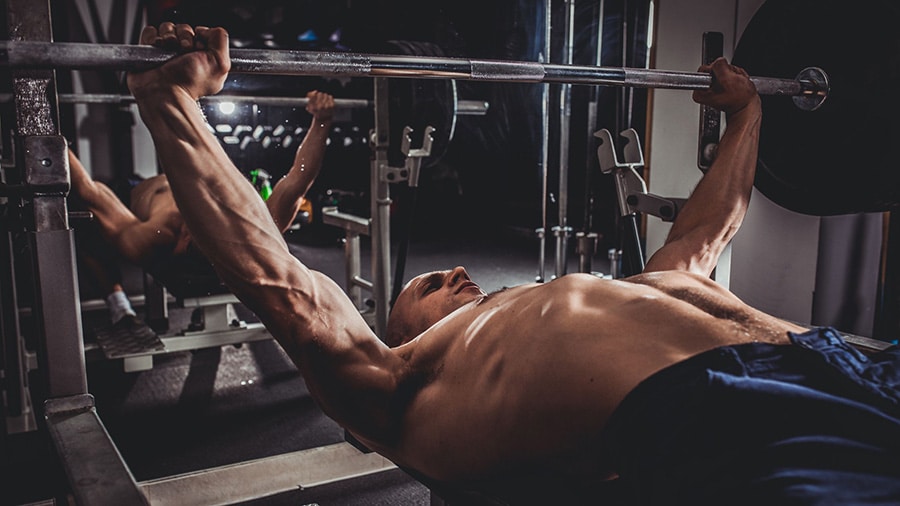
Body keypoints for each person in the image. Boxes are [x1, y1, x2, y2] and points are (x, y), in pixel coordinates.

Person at [126, 23, 900, 505]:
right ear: (400, 336)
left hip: (829, 359)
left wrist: (750, 115)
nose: (451, 273)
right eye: (428, 287)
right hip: (734, 425)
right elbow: (283, 287)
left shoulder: (620, 292)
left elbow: (706, 233)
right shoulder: (404, 387)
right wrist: (171, 106)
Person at [68, 89, 335, 328]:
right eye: (198, 228)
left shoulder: (150, 238)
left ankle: (118, 304)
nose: (191, 224)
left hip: (133, 191)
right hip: (170, 181)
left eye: (189, 234)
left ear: (179, 246)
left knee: (88, 231)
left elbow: (91, 192)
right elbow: (296, 183)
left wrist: (56, 142)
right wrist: (321, 121)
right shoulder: (251, 229)